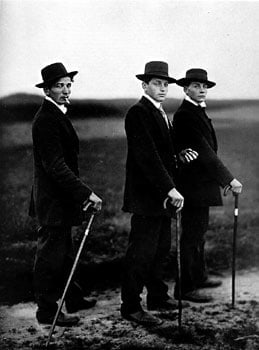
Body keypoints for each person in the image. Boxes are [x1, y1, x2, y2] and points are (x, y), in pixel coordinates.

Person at [121, 61, 198, 326]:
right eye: (157, 83)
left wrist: (178, 155)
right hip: (147, 197)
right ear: (145, 85)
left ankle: (157, 296)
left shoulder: (160, 112)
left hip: (162, 196)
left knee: (161, 249)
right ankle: (130, 306)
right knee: (141, 252)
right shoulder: (138, 112)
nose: (163, 88)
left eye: (166, 84)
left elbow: (163, 152)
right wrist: (170, 188)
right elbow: (147, 157)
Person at [29, 62, 102, 326]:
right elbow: (55, 165)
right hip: (52, 201)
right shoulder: (46, 119)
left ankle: (73, 297)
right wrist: (85, 193)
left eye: (69, 85)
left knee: (66, 252)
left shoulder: (57, 114)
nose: (66, 90)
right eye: (60, 86)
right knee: (50, 257)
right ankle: (46, 312)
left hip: (62, 199)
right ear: (47, 89)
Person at [173, 68, 243, 303]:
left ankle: (199, 276)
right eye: (196, 86)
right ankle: (185, 287)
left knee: (199, 233)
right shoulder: (185, 114)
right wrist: (228, 179)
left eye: (205, 86)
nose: (202, 90)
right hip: (192, 186)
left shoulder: (196, 111)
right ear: (185, 88)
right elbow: (204, 151)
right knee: (191, 235)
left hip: (201, 185)